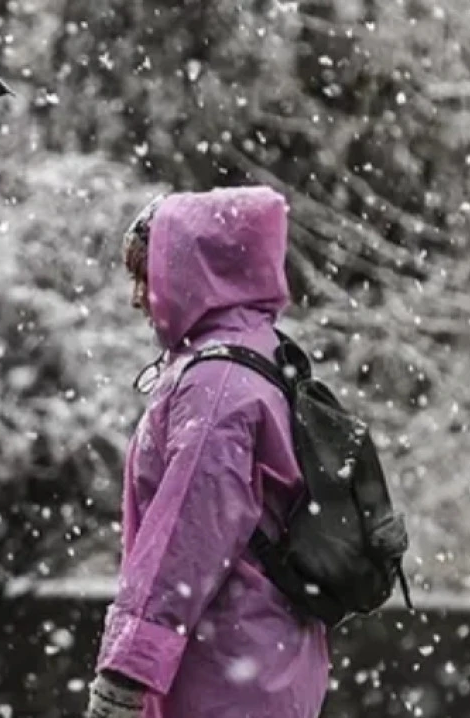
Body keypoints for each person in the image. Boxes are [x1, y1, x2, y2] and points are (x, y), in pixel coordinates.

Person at [88, 187, 329, 718]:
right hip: (267, 662)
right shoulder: (263, 354)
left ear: (195, 273)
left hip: (224, 676)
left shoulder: (218, 384)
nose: (137, 297)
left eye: (148, 278)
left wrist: (127, 672)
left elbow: (186, 536)